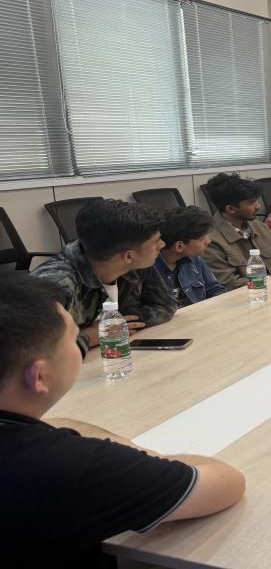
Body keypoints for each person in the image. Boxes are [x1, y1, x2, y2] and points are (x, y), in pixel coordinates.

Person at [0, 274, 245, 567]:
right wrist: (135, 454)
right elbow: (226, 484)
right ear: (39, 376)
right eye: (75, 339)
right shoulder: (72, 467)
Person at [31, 199, 176, 356]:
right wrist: (89, 337)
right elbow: (33, 353)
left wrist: (117, 323)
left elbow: (165, 307)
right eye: (156, 241)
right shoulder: (54, 285)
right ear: (128, 256)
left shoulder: (135, 263)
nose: (162, 245)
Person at [203, 172, 271, 289]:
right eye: (251, 202)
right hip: (249, 296)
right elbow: (230, 284)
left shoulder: (261, 227)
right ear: (231, 209)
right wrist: (270, 284)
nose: (258, 206)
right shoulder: (210, 241)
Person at [154, 206, 226, 307]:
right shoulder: (148, 269)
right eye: (202, 239)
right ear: (179, 246)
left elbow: (215, 289)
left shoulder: (194, 259)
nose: (208, 241)